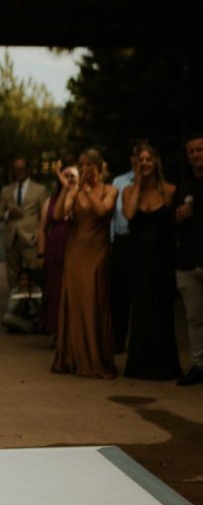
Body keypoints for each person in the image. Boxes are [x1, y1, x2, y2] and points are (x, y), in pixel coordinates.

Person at [52, 149, 118, 379]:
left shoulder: (111, 190)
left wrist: (88, 191)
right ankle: (72, 358)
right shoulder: (75, 189)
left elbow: (102, 211)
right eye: (81, 164)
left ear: (98, 167)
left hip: (98, 252)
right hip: (75, 252)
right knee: (76, 301)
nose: (84, 168)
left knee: (93, 300)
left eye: (89, 165)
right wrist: (66, 189)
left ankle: (95, 358)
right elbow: (58, 215)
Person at [121, 144, 180, 379]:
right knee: (142, 308)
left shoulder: (169, 191)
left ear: (156, 162)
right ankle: (140, 364)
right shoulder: (128, 191)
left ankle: (165, 365)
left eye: (148, 159)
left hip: (163, 259)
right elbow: (129, 214)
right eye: (140, 159)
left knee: (162, 309)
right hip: (138, 259)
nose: (144, 163)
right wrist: (137, 180)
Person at [110, 139, 149, 353]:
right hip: (122, 241)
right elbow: (113, 216)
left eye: (144, 156)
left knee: (142, 292)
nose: (140, 161)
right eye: (137, 156)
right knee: (120, 293)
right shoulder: (119, 182)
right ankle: (119, 338)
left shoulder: (155, 182)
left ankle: (142, 340)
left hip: (143, 242)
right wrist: (110, 241)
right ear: (132, 158)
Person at [172, 132, 203, 386]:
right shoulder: (183, 188)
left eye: (200, 150)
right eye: (192, 151)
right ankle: (198, 365)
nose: (196, 155)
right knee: (194, 318)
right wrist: (178, 218)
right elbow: (172, 228)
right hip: (188, 262)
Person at [38, 162, 79, 339]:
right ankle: (57, 330)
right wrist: (40, 253)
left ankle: (72, 332)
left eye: (72, 176)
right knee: (55, 290)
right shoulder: (51, 200)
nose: (68, 179)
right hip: (55, 249)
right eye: (66, 175)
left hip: (74, 248)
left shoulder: (81, 197)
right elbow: (42, 228)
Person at [0, 157, 48, 293]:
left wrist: (42, 239)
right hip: (11, 240)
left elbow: (45, 216)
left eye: (22, 169)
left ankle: (35, 306)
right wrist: (8, 214)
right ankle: (15, 307)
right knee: (12, 276)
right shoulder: (6, 190)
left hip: (31, 239)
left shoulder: (40, 190)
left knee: (34, 275)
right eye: (16, 169)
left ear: (28, 170)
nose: (19, 172)